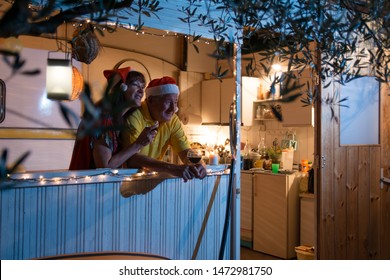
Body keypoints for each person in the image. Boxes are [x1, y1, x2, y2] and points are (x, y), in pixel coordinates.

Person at [69, 67, 158, 170]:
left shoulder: (118, 119)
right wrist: (138, 144)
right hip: (88, 185)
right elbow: (105, 166)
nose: (141, 91)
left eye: (142, 87)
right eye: (135, 85)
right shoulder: (104, 119)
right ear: (122, 87)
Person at [122, 76, 207, 181]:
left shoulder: (173, 120)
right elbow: (132, 158)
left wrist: (198, 163)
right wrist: (172, 168)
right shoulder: (135, 116)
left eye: (175, 102)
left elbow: (185, 151)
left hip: (150, 180)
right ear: (151, 100)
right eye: (168, 102)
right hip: (124, 180)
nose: (173, 109)